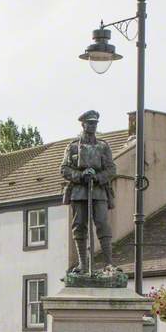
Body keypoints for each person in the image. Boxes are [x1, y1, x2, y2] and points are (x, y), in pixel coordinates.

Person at [60, 110, 116, 273]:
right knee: (79, 226)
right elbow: (64, 169)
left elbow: (111, 169)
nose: (92, 126)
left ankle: (108, 263)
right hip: (79, 191)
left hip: (99, 191)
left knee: (103, 224)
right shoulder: (72, 147)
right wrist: (81, 175)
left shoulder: (103, 146)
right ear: (83, 124)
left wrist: (98, 177)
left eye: (95, 123)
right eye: (89, 123)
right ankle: (83, 264)